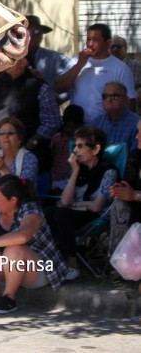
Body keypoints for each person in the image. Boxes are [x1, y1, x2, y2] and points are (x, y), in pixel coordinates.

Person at [0, 174, 70, 314]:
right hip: (9, 268)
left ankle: (9, 298)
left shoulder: (31, 210)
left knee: (14, 248)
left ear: (13, 200)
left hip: (37, 270)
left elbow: (23, 236)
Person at [45, 126, 118, 279]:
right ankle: (50, 260)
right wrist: (75, 170)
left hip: (97, 216)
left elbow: (97, 206)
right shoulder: (80, 170)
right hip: (75, 213)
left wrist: (76, 205)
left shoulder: (108, 171)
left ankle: (72, 264)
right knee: (48, 212)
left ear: (96, 149)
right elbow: (65, 200)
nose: (75, 151)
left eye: (80, 146)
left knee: (62, 213)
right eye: (75, 146)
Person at [0, 56, 61, 195]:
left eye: (12, 60)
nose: (7, 63)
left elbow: (52, 121)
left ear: (24, 61)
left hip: (33, 153)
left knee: (29, 197)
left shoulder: (40, 87)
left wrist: (32, 143)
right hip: (0, 151)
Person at [56, 23, 136, 123]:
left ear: (108, 43)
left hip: (106, 128)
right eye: (88, 39)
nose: (90, 44)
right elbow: (59, 87)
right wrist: (80, 64)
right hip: (77, 127)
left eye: (95, 40)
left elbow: (130, 103)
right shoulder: (76, 61)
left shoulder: (121, 68)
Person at [0, 117, 39, 206]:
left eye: (10, 133)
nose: (5, 136)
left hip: (21, 205)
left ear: (20, 138)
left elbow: (24, 191)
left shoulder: (29, 158)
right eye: (1, 133)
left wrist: (4, 170)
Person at [108, 120, 141, 256]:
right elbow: (128, 184)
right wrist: (119, 190)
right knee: (119, 205)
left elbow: (133, 193)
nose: (137, 136)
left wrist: (135, 195)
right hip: (137, 209)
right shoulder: (136, 155)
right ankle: (120, 259)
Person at [25, 14, 69, 93]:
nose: (34, 35)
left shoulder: (55, 58)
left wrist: (57, 99)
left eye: (38, 32)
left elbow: (69, 83)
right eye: (30, 31)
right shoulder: (11, 59)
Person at [91, 81, 140, 151]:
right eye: (105, 96)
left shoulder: (137, 124)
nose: (109, 99)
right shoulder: (95, 123)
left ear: (126, 100)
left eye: (114, 96)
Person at [50, 105, 85, 191]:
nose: (69, 130)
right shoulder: (57, 138)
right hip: (54, 180)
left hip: (72, 180)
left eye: (73, 128)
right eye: (67, 126)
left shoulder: (80, 143)